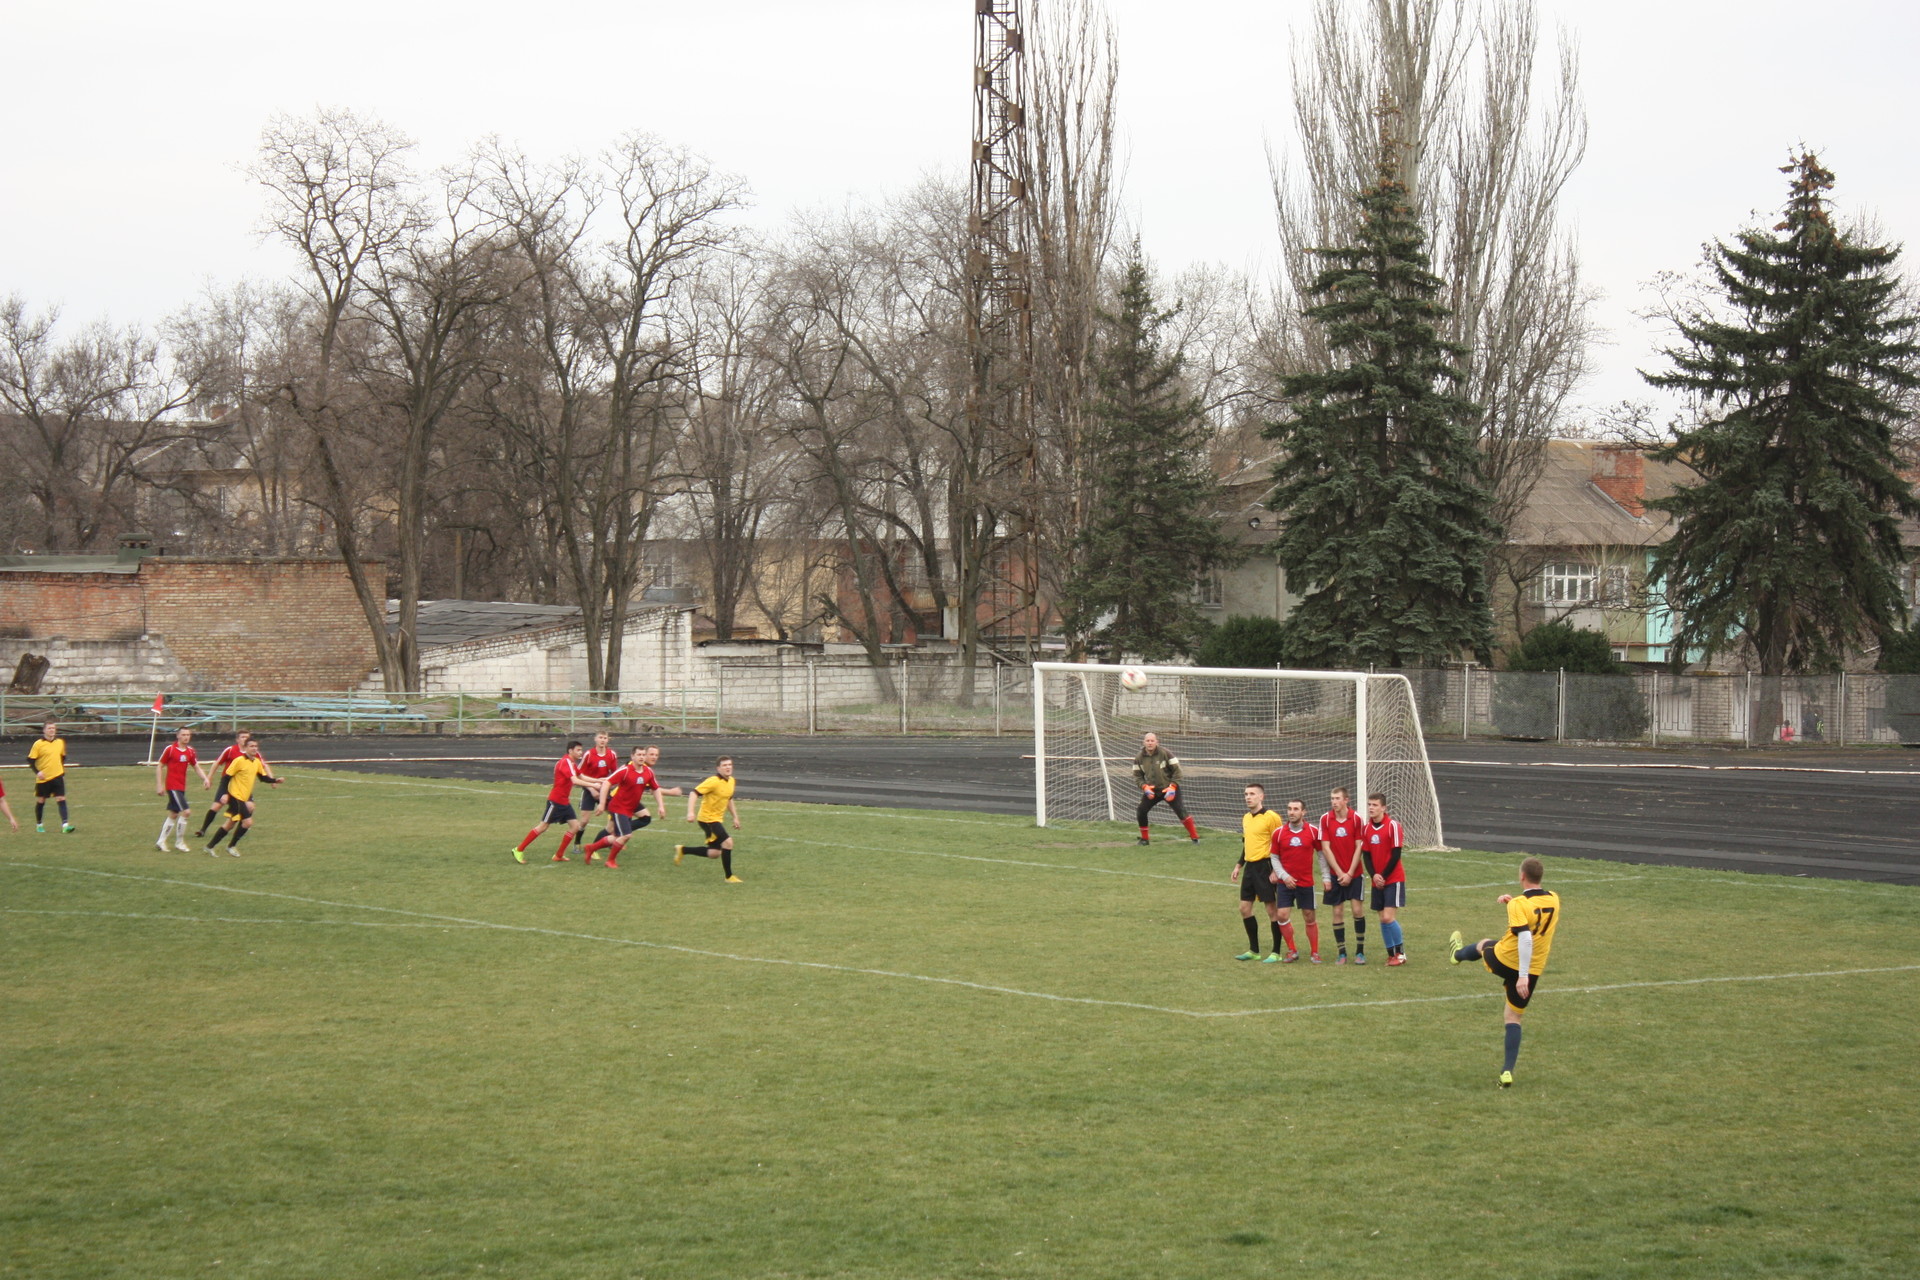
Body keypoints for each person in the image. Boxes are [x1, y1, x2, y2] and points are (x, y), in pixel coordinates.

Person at [1449, 857, 1561, 1088]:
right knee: (1513, 1018)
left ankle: (1457, 954)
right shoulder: (1554, 899)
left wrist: (1520, 974)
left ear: (1521, 876)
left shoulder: (1518, 905)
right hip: (1533, 970)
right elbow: (1534, 915)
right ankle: (1507, 1071)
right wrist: (1513, 903)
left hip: (1507, 960)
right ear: (1541, 877)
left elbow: (1526, 936)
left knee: (1482, 945)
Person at [580, 746, 683, 869]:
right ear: (632, 756)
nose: (641, 757)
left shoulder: (648, 772)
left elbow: (655, 788)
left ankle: (591, 848)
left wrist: (661, 806)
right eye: (639, 755)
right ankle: (609, 860)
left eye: (643, 755)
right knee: (625, 835)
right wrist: (602, 804)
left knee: (622, 834)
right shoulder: (626, 770)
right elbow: (607, 782)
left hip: (631, 806)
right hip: (618, 806)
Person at [511, 741, 603, 864]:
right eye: (578, 750)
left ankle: (559, 855)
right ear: (570, 751)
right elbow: (575, 780)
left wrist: (599, 780)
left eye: (581, 750)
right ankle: (518, 849)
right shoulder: (565, 762)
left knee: (575, 826)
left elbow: (581, 776)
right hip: (556, 801)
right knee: (543, 826)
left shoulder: (571, 763)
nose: (581, 752)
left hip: (564, 802)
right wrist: (594, 785)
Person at [1228, 782, 1287, 962]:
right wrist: (1239, 865)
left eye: (1252, 794)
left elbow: (1280, 844)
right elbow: (1247, 844)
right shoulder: (1246, 818)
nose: (1248, 797)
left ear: (1262, 796)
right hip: (1250, 868)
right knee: (1244, 908)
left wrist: (1277, 870)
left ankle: (1276, 952)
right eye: (1246, 794)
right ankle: (1254, 950)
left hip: (1266, 867)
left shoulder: (1272, 817)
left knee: (1271, 910)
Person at [1318, 786, 1368, 964]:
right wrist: (1339, 873)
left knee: (1357, 910)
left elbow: (1359, 847)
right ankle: (1342, 953)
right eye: (1332, 798)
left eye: (1337, 798)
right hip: (1335, 874)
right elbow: (1325, 848)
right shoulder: (1325, 819)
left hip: (1355, 874)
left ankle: (1360, 952)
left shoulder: (1355, 819)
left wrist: (1350, 873)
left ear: (1346, 800)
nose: (1334, 802)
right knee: (1337, 912)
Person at [1268, 800, 1322, 963]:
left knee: (1309, 916)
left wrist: (1326, 877)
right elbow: (1274, 857)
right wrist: (1284, 876)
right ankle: (1292, 950)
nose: (1291, 812)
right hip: (1285, 883)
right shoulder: (1279, 833)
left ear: (1303, 812)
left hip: (1305, 883)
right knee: (1282, 915)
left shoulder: (1313, 831)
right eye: (1290, 809)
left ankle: (1315, 952)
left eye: (1296, 809)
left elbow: (1321, 855)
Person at [205, 739, 280, 856]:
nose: (254, 748)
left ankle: (210, 846)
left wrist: (275, 780)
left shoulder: (256, 762)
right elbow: (226, 778)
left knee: (230, 824)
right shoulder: (238, 761)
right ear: (245, 748)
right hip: (235, 796)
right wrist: (224, 793)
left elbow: (262, 777)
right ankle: (231, 846)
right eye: (251, 746)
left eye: (256, 746)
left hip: (244, 797)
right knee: (247, 822)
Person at [674, 756, 742, 882]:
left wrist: (735, 817)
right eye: (724, 765)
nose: (728, 767)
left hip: (716, 819)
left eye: (730, 764)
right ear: (718, 768)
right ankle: (729, 877)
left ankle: (682, 850)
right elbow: (694, 793)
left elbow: (729, 799)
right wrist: (690, 812)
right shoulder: (713, 781)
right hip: (707, 819)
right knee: (728, 842)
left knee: (714, 853)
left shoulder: (732, 781)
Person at [1361, 793, 1408, 965]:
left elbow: (1396, 855)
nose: (1371, 808)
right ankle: (1391, 954)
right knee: (1382, 919)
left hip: (1393, 879)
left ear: (1383, 808)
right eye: (1369, 804)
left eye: (1374, 805)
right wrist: (1374, 875)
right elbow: (1366, 855)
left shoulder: (1393, 826)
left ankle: (1401, 953)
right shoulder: (1366, 829)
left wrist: (1383, 876)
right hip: (1377, 880)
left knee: (1388, 917)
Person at [1131, 732, 1200, 845]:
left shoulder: (1165, 753)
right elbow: (1137, 776)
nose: (1150, 743)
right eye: (1147, 741)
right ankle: (1144, 839)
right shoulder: (1139, 757)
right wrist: (1145, 787)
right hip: (1153, 791)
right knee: (1141, 811)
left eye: (1152, 740)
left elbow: (1178, 772)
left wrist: (1172, 787)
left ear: (1157, 742)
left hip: (1169, 789)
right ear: (1144, 742)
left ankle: (1195, 838)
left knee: (1181, 811)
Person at [154, 727, 212, 851]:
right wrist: (159, 785)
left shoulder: (190, 751)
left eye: (188, 735)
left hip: (181, 786)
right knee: (186, 812)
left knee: (174, 814)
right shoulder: (170, 749)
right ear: (178, 736)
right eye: (184, 734)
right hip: (172, 786)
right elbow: (160, 765)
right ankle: (179, 842)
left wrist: (205, 779)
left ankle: (161, 841)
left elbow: (196, 766)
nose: (186, 737)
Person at [196, 732, 253, 839]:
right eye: (243, 737)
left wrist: (272, 779)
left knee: (249, 806)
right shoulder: (230, 750)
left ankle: (241, 830)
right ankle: (203, 829)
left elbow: (262, 765)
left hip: (242, 785)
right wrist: (209, 778)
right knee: (217, 806)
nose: (245, 739)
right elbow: (217, 763)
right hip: (227, 782)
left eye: (247, 737)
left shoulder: (252, 752)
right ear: (237, 739)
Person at [28, 720, 74, 834]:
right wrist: (37, 772)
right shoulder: (38, 744)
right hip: (44, 778)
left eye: (53, 728)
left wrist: (61, 772)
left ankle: (65, 825)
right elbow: (30, 760)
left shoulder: (60, 742)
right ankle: (39, 824)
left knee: (61, 798)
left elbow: (62, 757)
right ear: (44, 730)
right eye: (49, 728)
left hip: (57, 776)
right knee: (41, 800)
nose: (52, 730)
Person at [577, 731, 619, 828]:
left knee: (615, 815)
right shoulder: (589, 754)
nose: (602, 740)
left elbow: (615, 774)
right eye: (600, 737)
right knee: (584, 821)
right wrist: (591, 789)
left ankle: (613, 839)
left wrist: (608, 784)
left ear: (608, 740)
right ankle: (577, 842)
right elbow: (578, 774)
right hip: (589, 788)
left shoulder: (611, 754)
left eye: (605, 738)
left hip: (604, 788)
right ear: (595, 739)